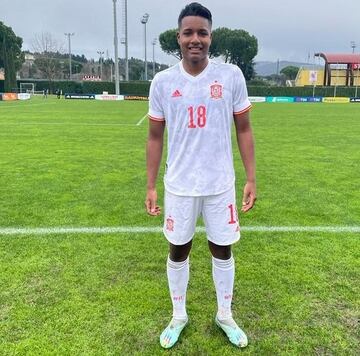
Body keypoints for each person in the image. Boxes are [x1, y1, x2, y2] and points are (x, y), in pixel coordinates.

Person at [145, 2, 256, 349]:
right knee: (178, 249)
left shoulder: (230, 76)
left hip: (220, 184)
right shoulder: (163, 82)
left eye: (202, 33)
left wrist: (251, 177)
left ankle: (224, 314)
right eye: (189, 33)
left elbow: (245, 129)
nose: (196, 39)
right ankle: (179, 316)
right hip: (179, 185)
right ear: (178, 38)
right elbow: (154, 136)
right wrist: (150, 185)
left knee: (221, 249)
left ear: (211, 37)